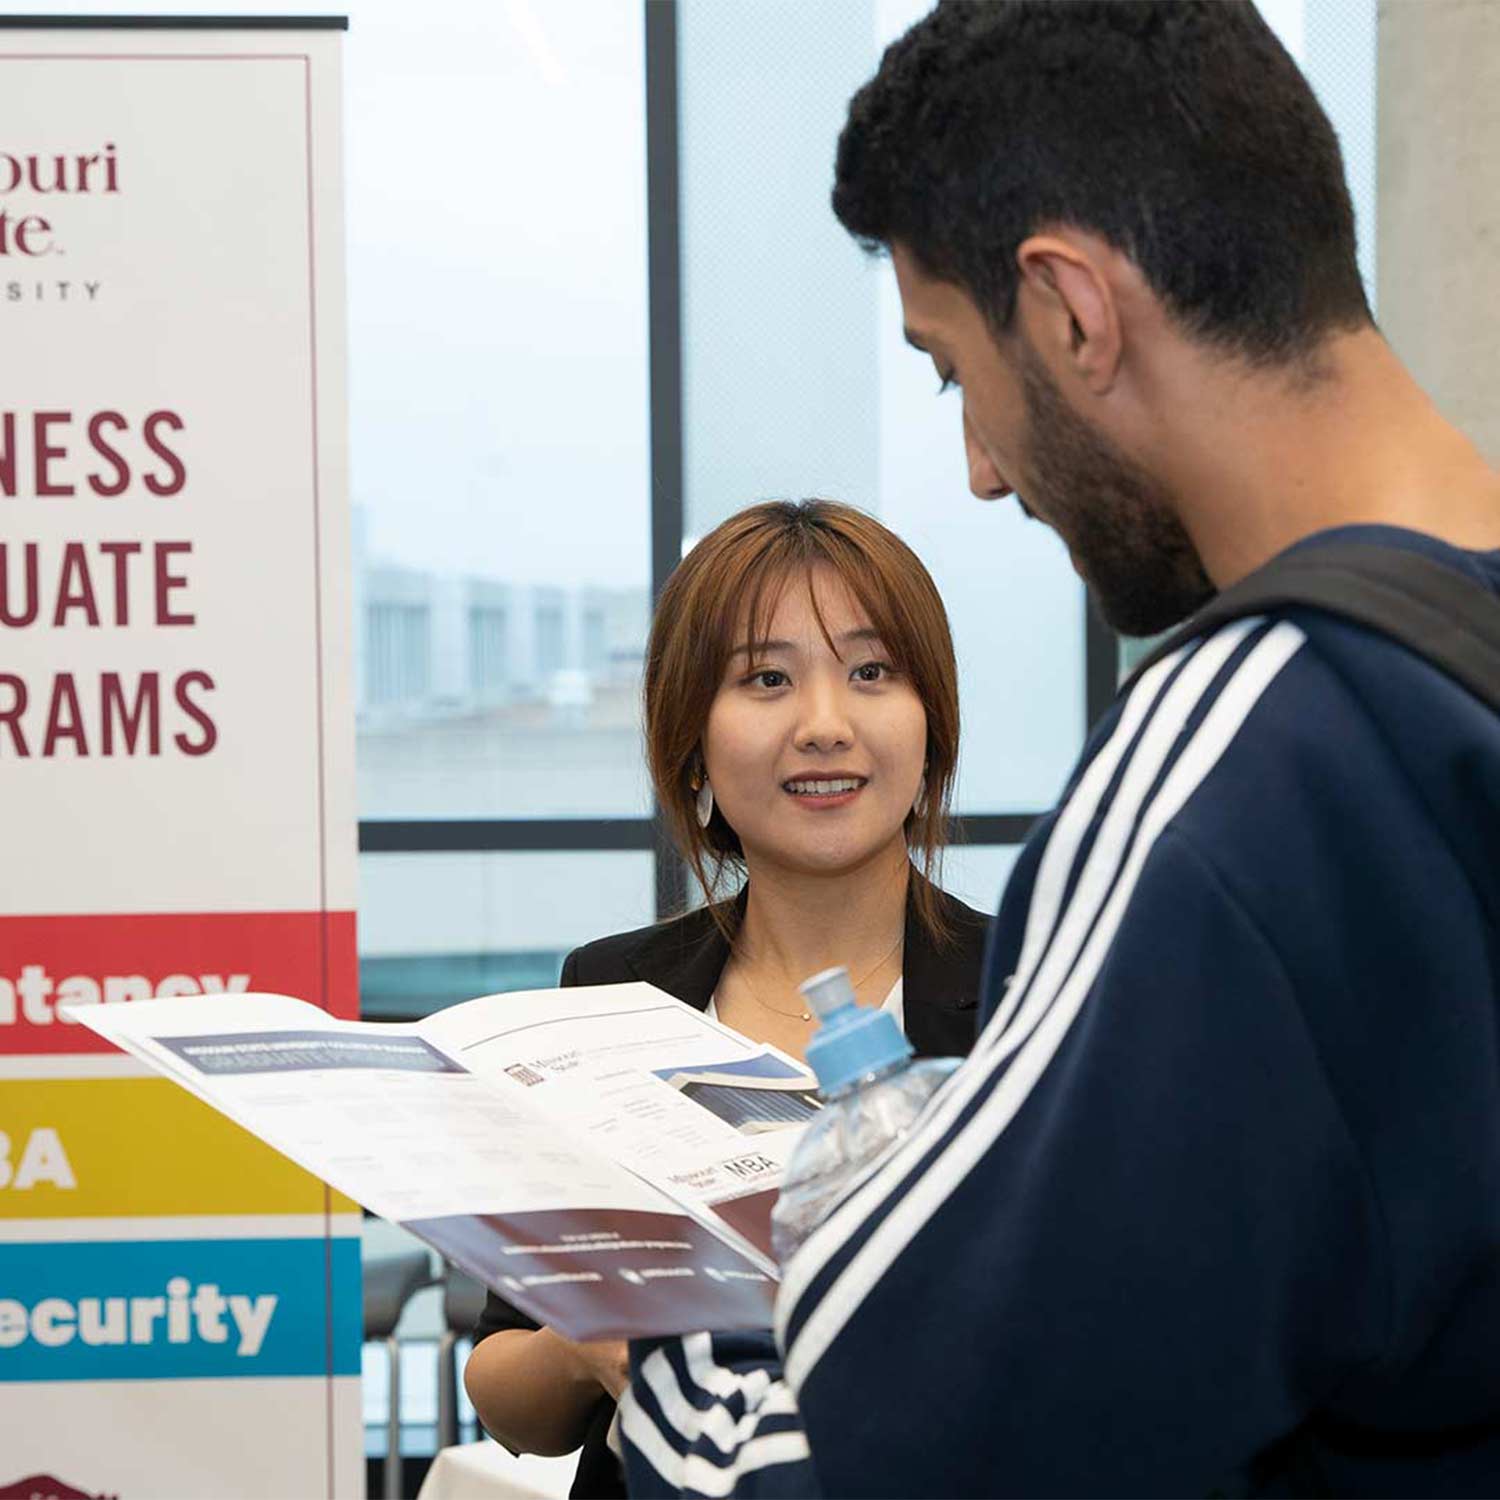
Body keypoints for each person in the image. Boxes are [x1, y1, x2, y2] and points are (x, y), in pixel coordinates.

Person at [617, 4, 1500, 1496]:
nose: (979, 469)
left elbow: (938, 1453)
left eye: (955, 371)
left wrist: (673, 1372)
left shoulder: (1255, 762)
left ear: (1074, 311)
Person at [463, 499, 991, 1498]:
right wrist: (594, 1342)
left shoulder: (1032, 987)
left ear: (932, 728)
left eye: (872, 672)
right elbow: (510, 1400)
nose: (825, 726)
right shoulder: (609, 994)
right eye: (767, 679)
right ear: (692, 742)